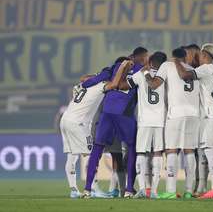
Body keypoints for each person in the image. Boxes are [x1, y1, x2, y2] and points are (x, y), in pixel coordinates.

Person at [81, 47, 148, 199]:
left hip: (107, 113)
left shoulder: (113, 67)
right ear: (142, 58)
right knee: (132, 149)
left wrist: (85, 84)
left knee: (97, 150)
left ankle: (87, 190)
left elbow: (94, 80)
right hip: (125, 115)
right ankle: (129, 190)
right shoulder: (143, 71)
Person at [106, 51, 168, 199]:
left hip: (145, 121)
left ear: (151, 61)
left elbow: (121, 86)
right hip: (160, 121)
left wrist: (121, 73)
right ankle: (153, 190)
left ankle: (141, 188)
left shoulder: (141, 74)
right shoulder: (165, 75)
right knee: (158, 153)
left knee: (141, 153)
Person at [143, 48, 200, 199]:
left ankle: (170, 191)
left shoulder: (167, 65)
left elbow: (154, 85)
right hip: (194, 114)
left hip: (176, 114)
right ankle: (188, 190)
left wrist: (146, 73)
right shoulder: (192, 70)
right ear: (186, 57)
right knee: (189, 151)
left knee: (171, 150)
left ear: (173, 57)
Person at [174, 43, 213, 198]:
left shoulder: (205, 69)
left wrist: (177, 62)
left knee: (210, 151)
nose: (199, 57)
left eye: (201, 55)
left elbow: (185, 76)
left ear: (205, 55)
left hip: (209, 115)